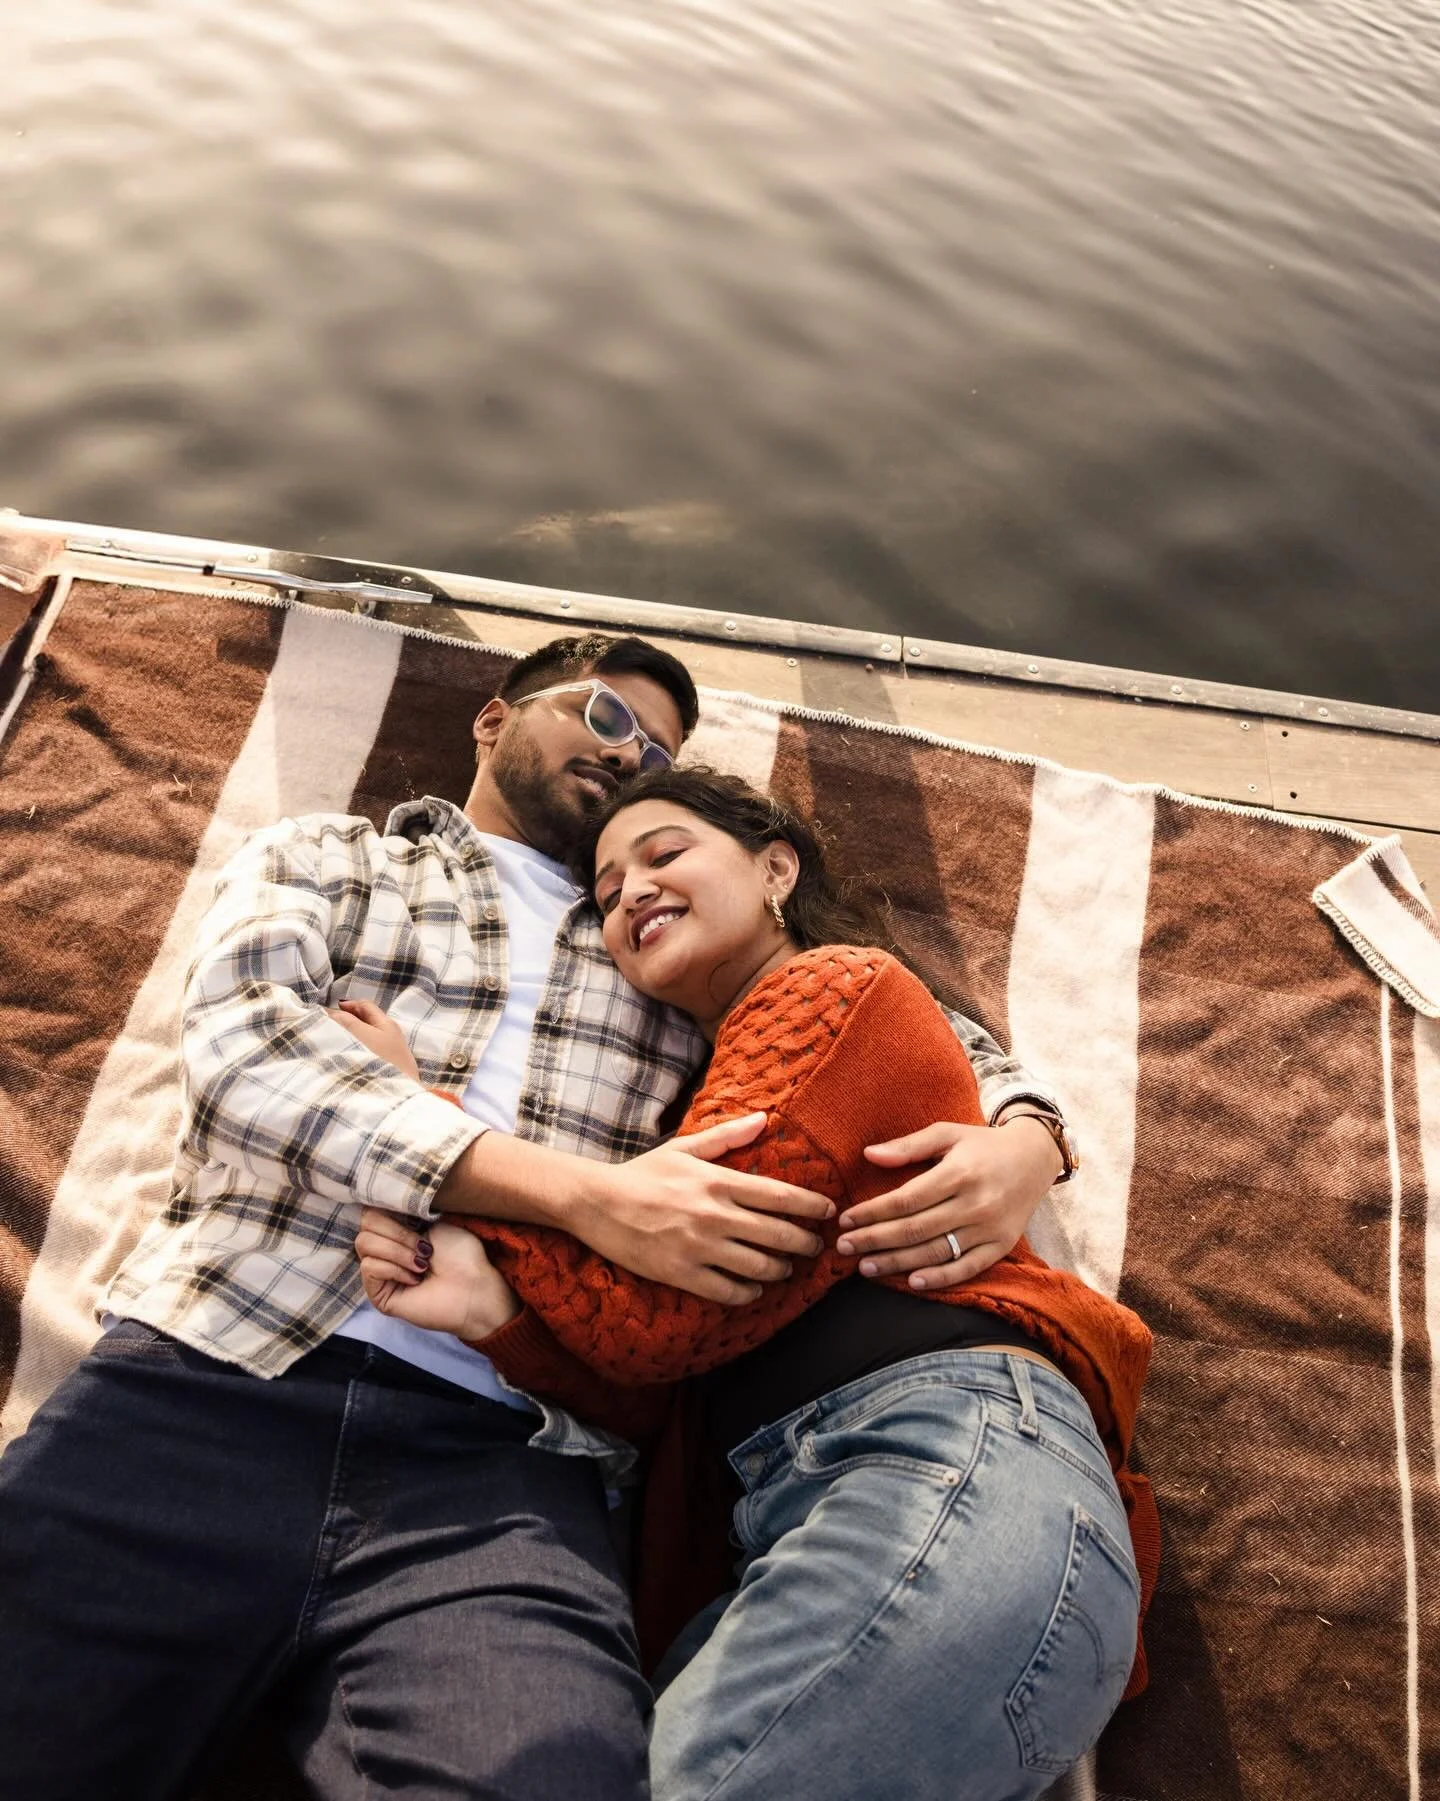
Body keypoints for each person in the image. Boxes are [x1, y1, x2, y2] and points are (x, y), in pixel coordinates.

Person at [0, 632, 1069, 1801]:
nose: (634, 753)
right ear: (495, 719)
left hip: (511, 1453)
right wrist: (585, 1197)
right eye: (610, 716)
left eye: (661, 751)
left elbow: (900, 1023)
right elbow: (248, 1057)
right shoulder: (335, 859)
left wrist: (1027, 1136)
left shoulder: (661, 944)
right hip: (211, 1375)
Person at [354, 766, 1158, 1801]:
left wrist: (435, 1127)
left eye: (664, 853)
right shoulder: (684, 1121)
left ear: (777, 866)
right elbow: (656, 1392)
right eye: (604, 892)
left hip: (953, 1474)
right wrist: (498, 1317)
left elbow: (659, 1322)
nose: (630, 890)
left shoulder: (834, 990)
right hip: (811, 1529)